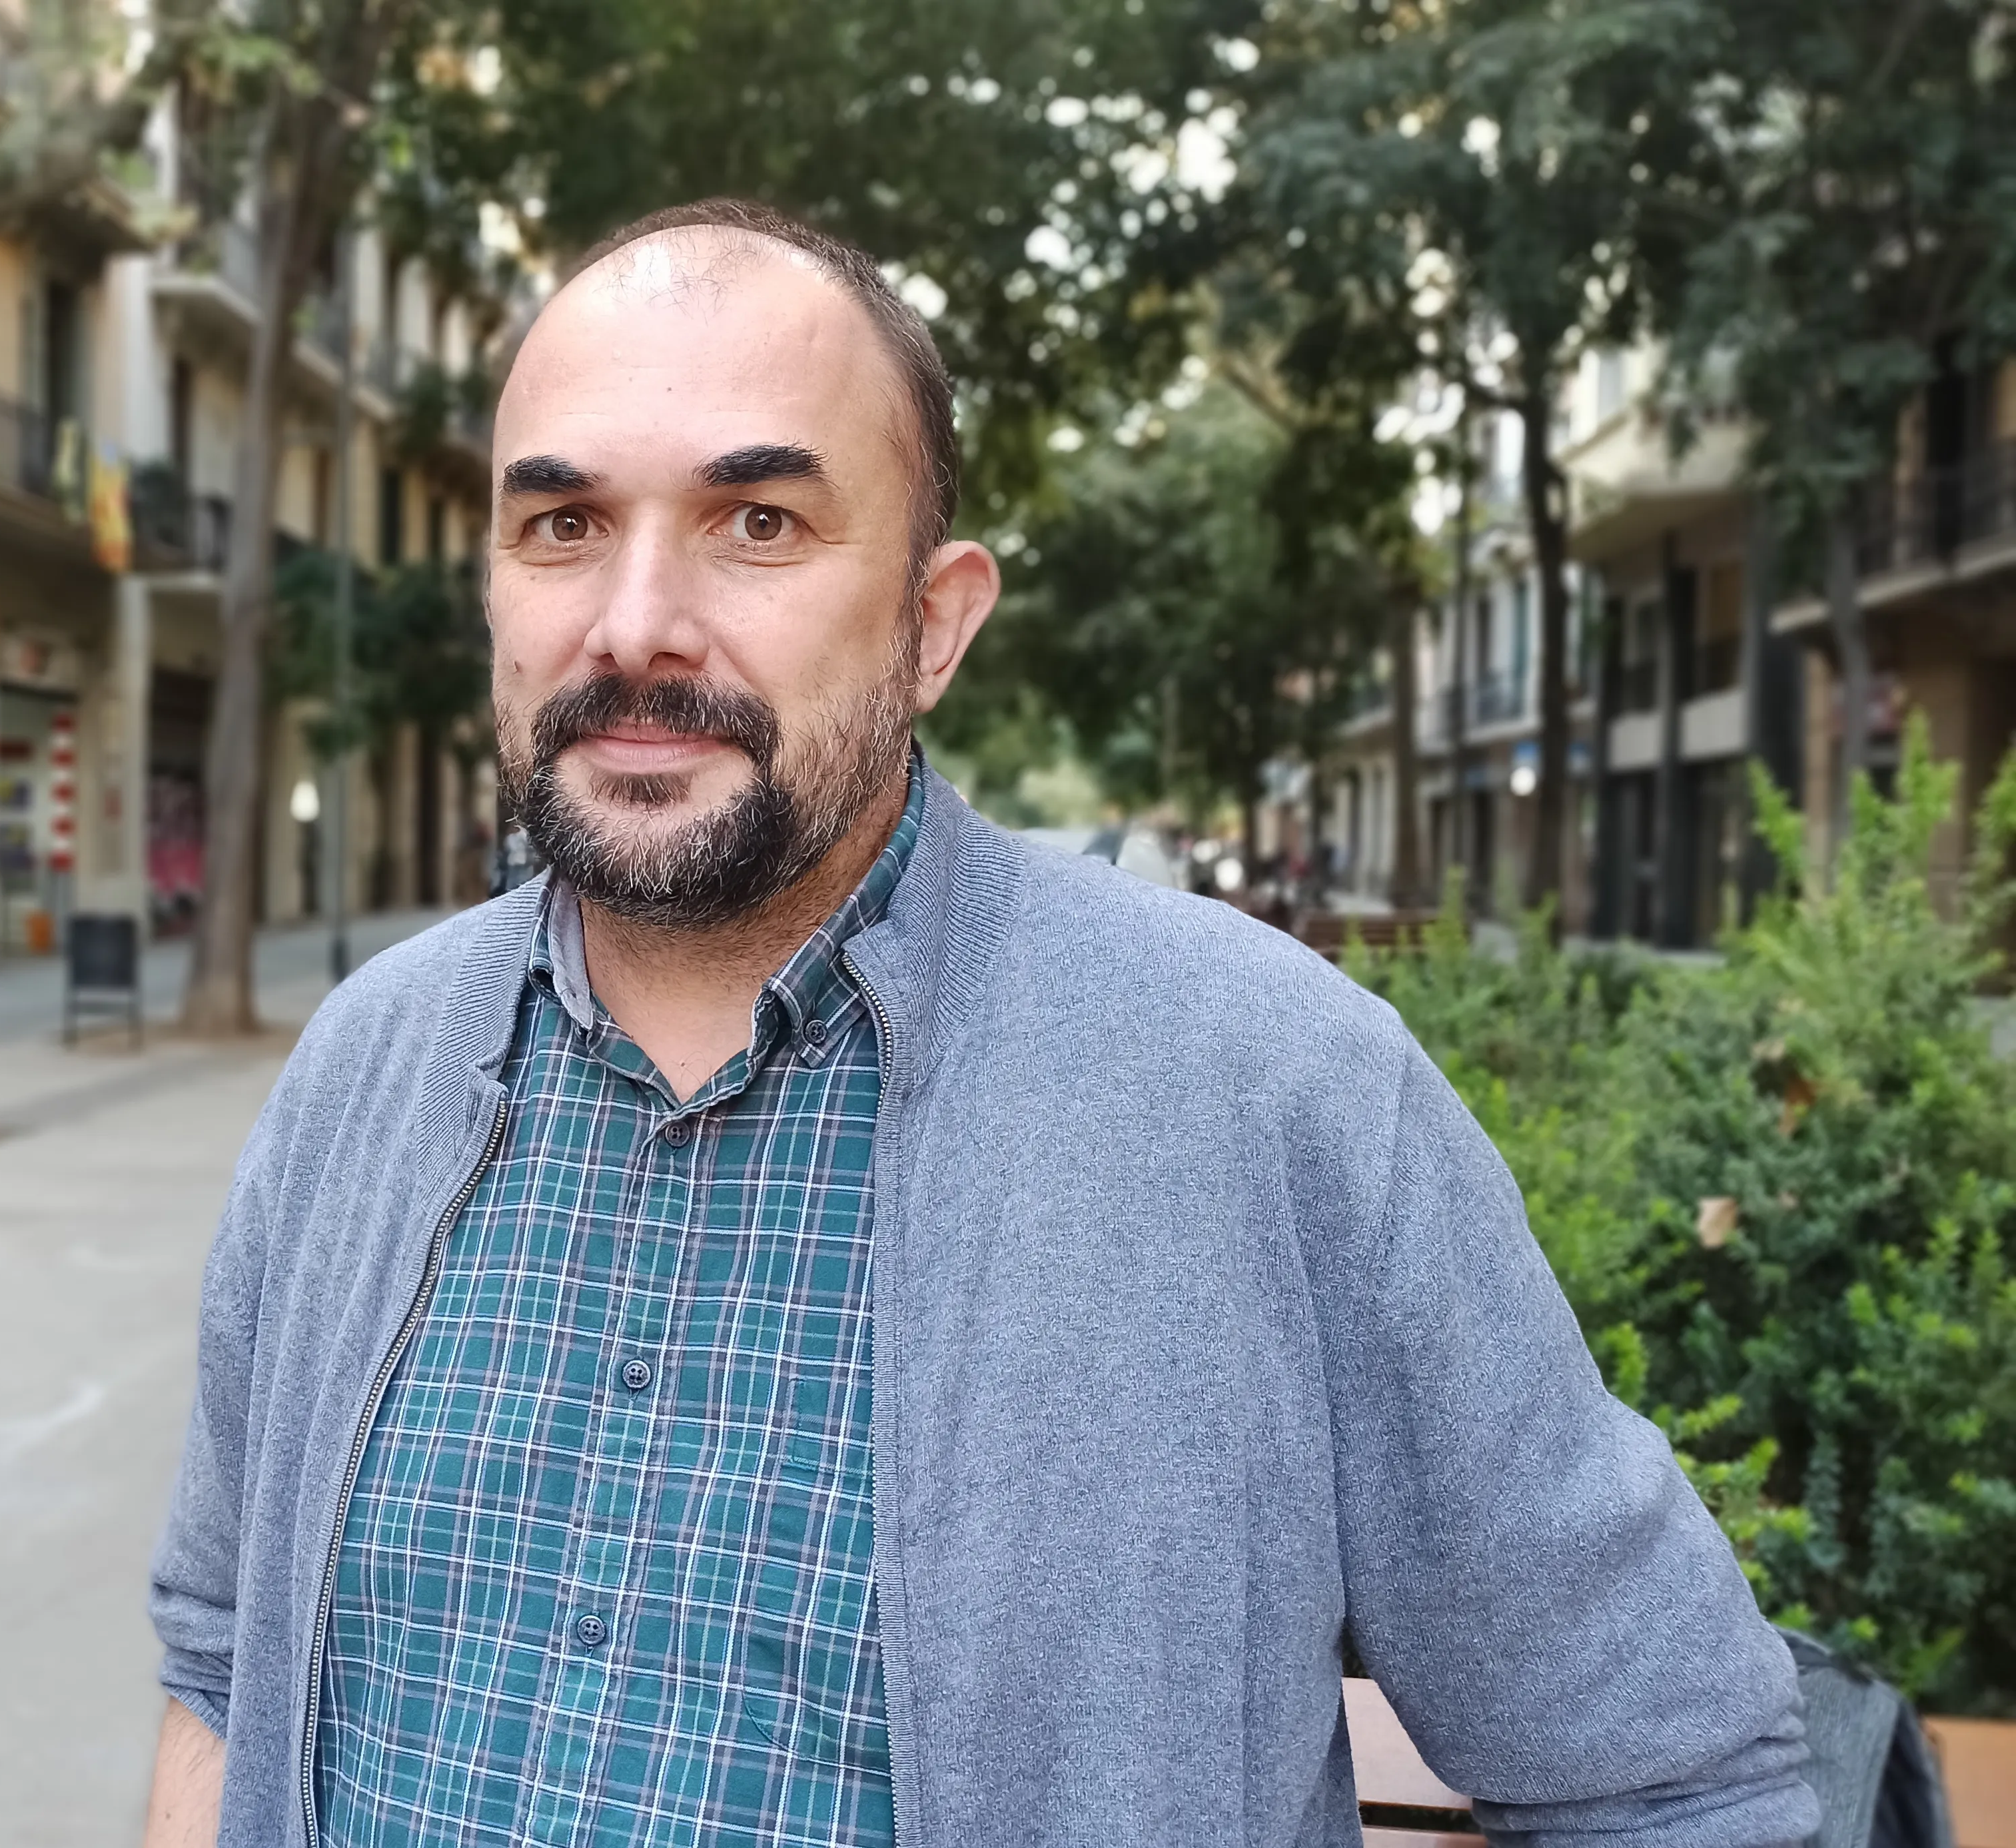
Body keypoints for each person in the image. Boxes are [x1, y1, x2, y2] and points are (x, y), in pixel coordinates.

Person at [142, 198, 1814, 1848]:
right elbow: (219, 1677)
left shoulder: (1271, 1091)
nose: (632, 620)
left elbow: (1670, 1778)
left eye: (758, 525)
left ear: (932, 621)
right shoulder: (363, 1069)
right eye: (561, 525)